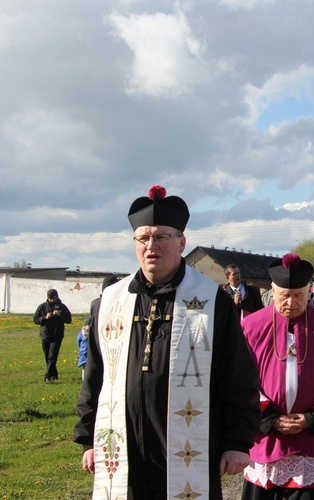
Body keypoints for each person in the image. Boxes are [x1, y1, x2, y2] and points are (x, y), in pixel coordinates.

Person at [73, 185, 261, 499]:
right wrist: (89, 437)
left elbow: (239, 375)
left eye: (161, 237)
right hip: (124, 454)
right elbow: (95, 376)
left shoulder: (213, 302)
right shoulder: (109, 302)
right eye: (143, 238)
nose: (151, 246)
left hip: (190, 454)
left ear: (181, 242)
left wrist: (237, 442)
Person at [241, 253, 314, 500]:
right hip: (266, 437)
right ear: (272, 290)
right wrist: (269, 417)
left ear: (310, 291)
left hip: (311, 438)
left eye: (298, 295)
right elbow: (240, 379)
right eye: (284, 295)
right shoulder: (250, 327)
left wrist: (312, 418)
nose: (291, 302)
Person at [33, 288, 72, 384]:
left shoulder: (62, 307)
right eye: (50, 299)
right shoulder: (42, 307)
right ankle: (54, 374)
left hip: (57, 335)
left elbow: (68, 319)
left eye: (53, 299)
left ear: (56, 297)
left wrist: (60, 314)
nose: (51, 300)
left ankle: (47, 377)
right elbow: (35, 320)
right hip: (45, 335)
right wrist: (45, 317)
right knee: (47, 357)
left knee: (52, 356)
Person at [77, 316, 92, 381]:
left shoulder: (93, 334)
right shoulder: (82, 334)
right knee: (85, 368)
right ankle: (85, 381)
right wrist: (81, 349)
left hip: (91, 354)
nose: (88, 327)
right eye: (87, 325)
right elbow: (78, 342)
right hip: (84, 354)